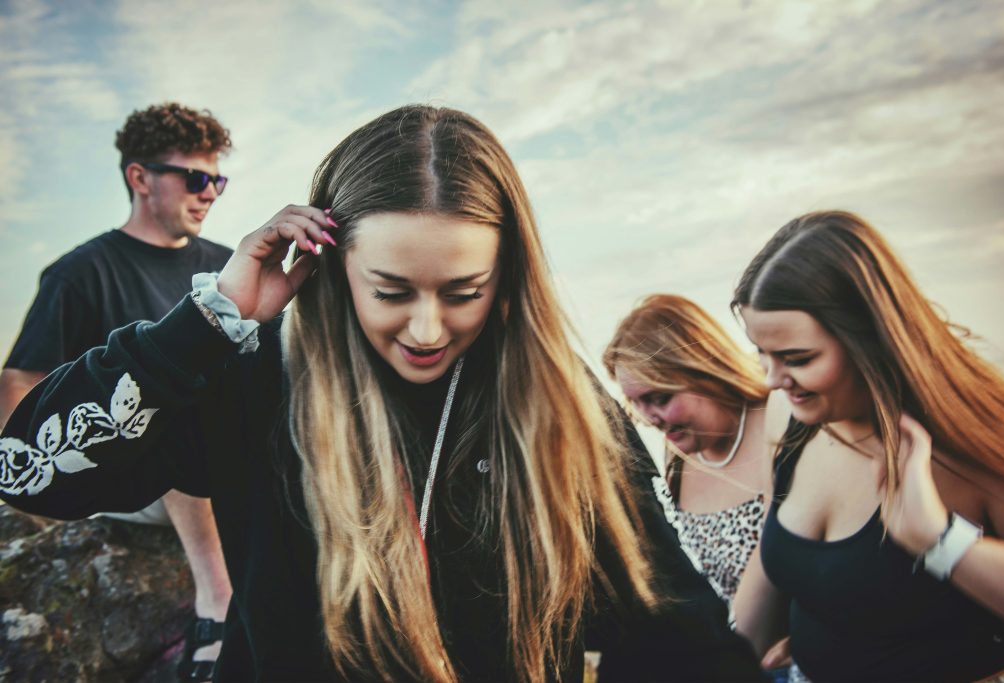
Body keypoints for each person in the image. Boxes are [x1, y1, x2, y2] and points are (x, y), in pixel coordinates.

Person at [0, 105, 765, 682]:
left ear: (506, 279)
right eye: (391, 289)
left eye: (463, 290)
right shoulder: (255, 375)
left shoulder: (558, 404)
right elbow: (28, 468)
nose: (427, 328)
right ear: (333, 267)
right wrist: (206, 324)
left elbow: (667, 617)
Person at [731, 210, 1004, 681]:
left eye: (797, 358)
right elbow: (771, 568)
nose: (772, 379)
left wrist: (939, 541)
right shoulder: (790, 420)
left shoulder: (976, 444)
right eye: (762, 354)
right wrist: (724, 665)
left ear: (872, 337)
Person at [0, 102, 235, 681]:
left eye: (218, 180)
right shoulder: (78, 274)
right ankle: (218, 600)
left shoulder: (229, 267)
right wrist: (27, 498)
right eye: (196, 178)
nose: (210, 194)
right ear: (140, 178)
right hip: (123, 472)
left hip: (232, 465)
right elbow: (22, 381)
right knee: (170, 404)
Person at [602, 293, 773, 606]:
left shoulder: (779, 423)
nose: (649, 418)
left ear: (704, 369)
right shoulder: (679, 452)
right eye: (636, 403)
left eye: (660, 398)